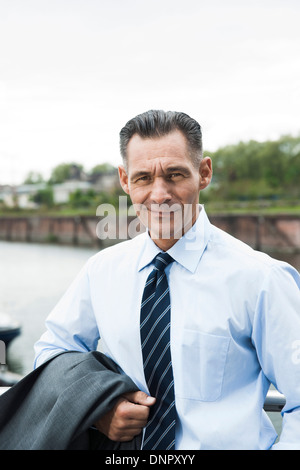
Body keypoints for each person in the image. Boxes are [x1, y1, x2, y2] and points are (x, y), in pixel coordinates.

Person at [34, 109, 300, 450]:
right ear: (125, 181)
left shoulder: (262, 280)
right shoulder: (101, 272)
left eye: (175, 175)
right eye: (143, 178)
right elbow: (53, 352)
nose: (159, 195)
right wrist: (97, 409)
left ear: (204, 173)